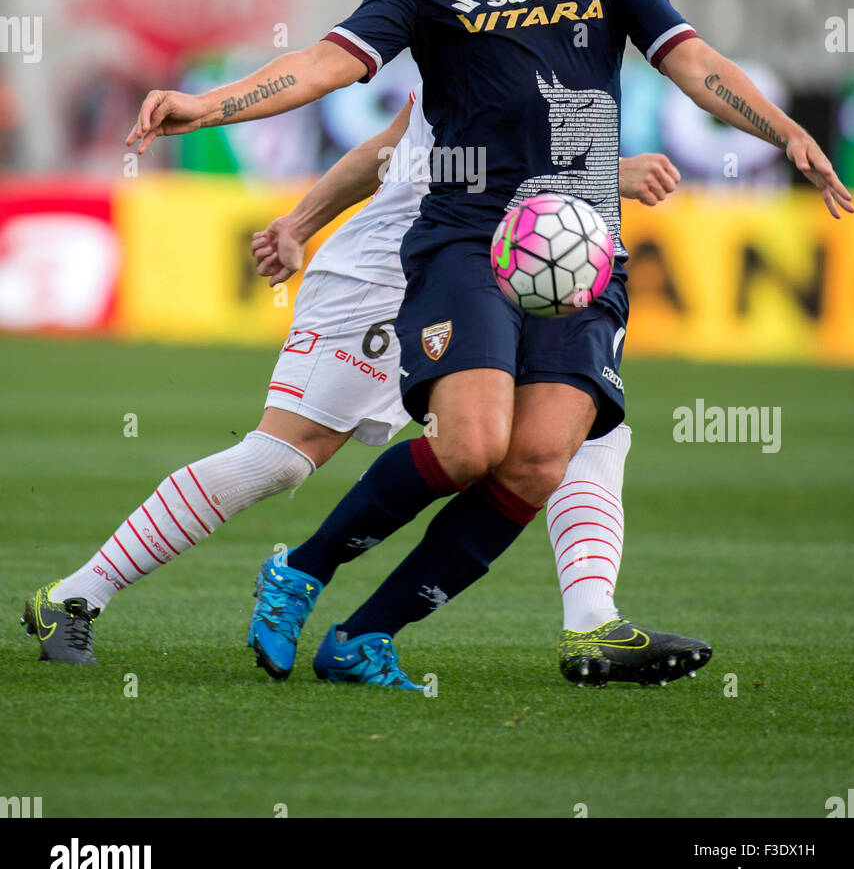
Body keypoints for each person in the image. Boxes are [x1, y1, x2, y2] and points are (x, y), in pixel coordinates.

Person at [121, 0, 854, 690]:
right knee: (469, 444)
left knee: (538, 461)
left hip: (579, 241)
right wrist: (206, 105)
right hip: (469, 234)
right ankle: (301, 567)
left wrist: (781, 128)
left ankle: (367, 636)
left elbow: (688, 55)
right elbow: (324, 65)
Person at [21, 64, 679, 680]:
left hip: (494, 279)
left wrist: (300, 221)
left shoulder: (552, 26)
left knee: (578, 434)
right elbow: (430, 153)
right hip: (388, 275)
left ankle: (590, 621)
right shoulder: (475, 12)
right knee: (281, 457)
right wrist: (603, 175)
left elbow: (393, 143)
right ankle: (76, 595)